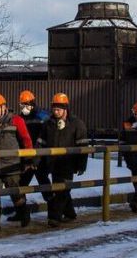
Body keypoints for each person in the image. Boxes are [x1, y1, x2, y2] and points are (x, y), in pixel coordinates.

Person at [38, 92, 88, 227]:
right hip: (53, 164)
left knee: (62, 190)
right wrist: (37, 160)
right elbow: (41, 143)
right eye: (54, 109)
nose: (55, 112)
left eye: (58, 109)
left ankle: (54, 217)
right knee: (61, 190)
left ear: (65, 109)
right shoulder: (48, 124)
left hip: (68, 163)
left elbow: (83, 146)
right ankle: (70, 214)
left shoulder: (77, 124)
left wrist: (81, 165)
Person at [0, 93, 34, 229]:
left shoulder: (16, 120)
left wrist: (28, 160)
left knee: (15, 192)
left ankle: (24, 214)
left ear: (3, 107)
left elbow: (26, 140)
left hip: (11, 165)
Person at [16, 89, 52, 204]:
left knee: (43, 181)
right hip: (26, 156)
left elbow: (46, 136)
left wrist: (39, 156)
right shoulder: (20, 118)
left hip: (40, 156)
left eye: (25, 105)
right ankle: (21, 210)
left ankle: (53, 207)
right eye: (22, 105)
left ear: (32, 104)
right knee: (22, 184)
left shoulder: (42, 116)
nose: (23, 108)